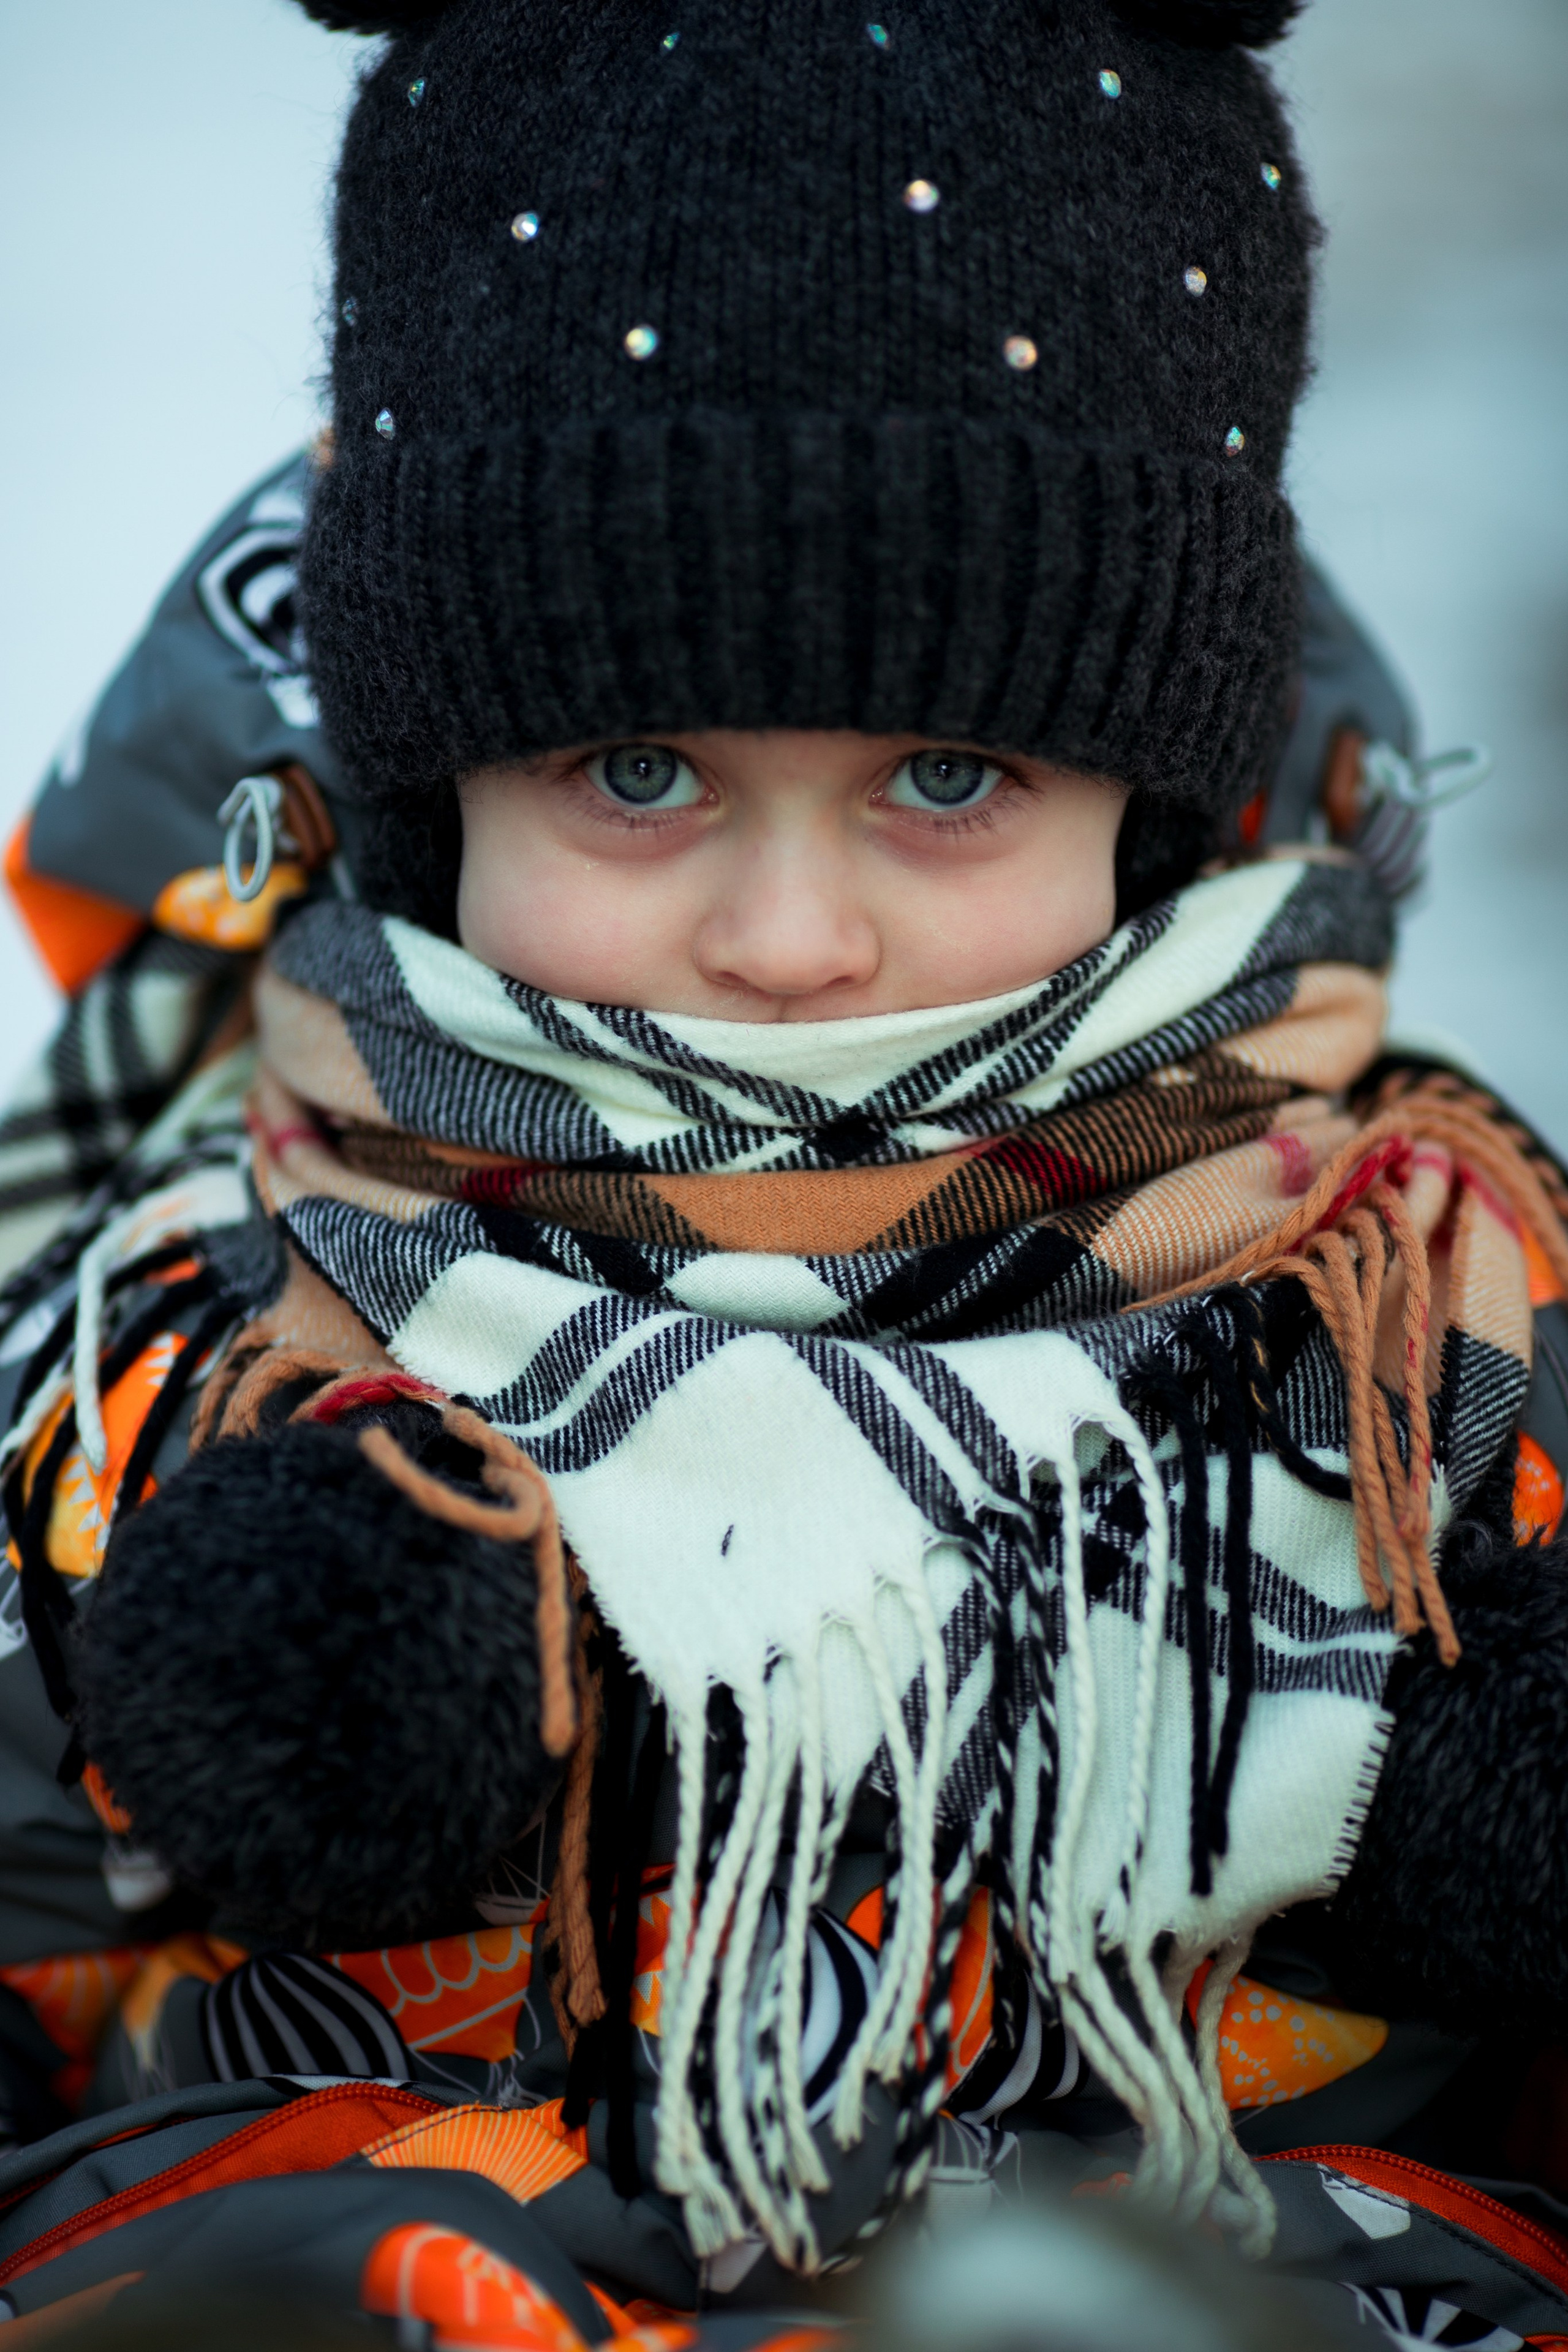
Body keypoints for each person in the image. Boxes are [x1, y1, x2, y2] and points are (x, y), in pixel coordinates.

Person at [2, 0, 1568, 2339]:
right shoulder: (191, 1331)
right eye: (638, 769)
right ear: (440, 808)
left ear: (1151, 810)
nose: (787, 940)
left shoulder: (1414, 1319)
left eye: (950, 776)